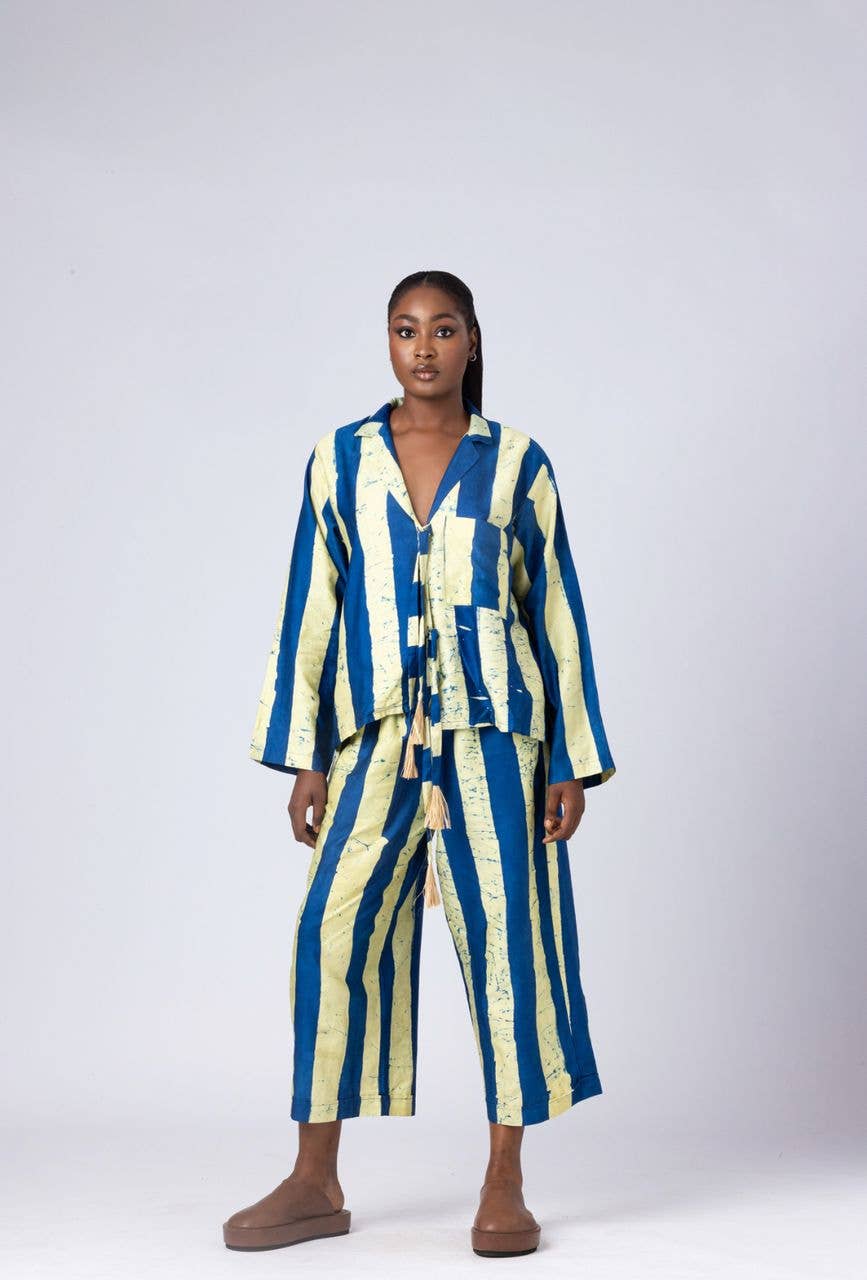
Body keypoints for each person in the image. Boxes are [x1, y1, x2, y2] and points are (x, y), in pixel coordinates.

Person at [222, 269, 616, 1258]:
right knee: (330, 932)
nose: (425, 347)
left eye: (444, 329)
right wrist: (306, 757)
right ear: (388, 343)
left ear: (472, 341)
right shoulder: (340, 460)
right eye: (406, 329)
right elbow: (311, 604)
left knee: (509, 946)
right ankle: (314, 1177)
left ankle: (504, 1179)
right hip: (375, 739)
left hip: (498, 741)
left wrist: (568, 759)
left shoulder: (517, 463)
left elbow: (554, 610)